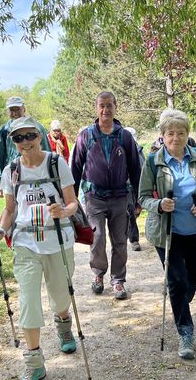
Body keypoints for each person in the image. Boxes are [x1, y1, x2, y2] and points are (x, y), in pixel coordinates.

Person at [0, 116, 79, 380]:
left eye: (30, 136)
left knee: (61, 297)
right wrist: (1, 230)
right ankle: (34, 359)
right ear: (13, 142)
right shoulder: (11, 171)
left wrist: (63, 210)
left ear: (39, 136)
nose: (25, 142)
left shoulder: (55, 162)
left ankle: (63, 324)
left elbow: (72, 203)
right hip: (26, 244)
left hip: (58, 241)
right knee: (28, 300)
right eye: (18, 138)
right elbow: (9, 210)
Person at [138, 108, 196, 360]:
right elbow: (141, 197)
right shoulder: (153, 162)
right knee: (176, 280)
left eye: (181, 133)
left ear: (187, 134)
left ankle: (182, 300)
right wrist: (159, 204)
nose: (176, 138)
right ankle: (186, 332)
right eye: (170, 133)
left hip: (195, 230)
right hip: (167, 232)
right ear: (162, 135)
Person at [70, 91, 142, 300]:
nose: (105, 110)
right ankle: (98, 275)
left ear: (115, 107)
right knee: (98, 237)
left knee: (120, 240)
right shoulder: (86, 135)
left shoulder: (125, 136)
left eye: (109, 105)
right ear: (96, 108)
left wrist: (138, 199)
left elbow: (136, 169)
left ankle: (118, 281)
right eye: (102, 105)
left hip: (120, 196)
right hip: (94, 196)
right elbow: (75, 167)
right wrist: (71, 199)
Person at [0, 96, 51, 198]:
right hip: (14, 176)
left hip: (37, 174)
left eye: (17, 109)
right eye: (11, 110)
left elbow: (47, 150)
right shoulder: (4, 130)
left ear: (24, 109)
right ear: (7, 112)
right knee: (14, 208)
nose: (14, 113)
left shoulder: (37, 127)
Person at [124, 127, 145, 251]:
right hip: (126, 186)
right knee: (131, 211)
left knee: (136, 211)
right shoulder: (120, 149)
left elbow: (143, 165)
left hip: (139, 184)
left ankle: (128, 231)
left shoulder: (139, 150)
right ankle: (134, 239)